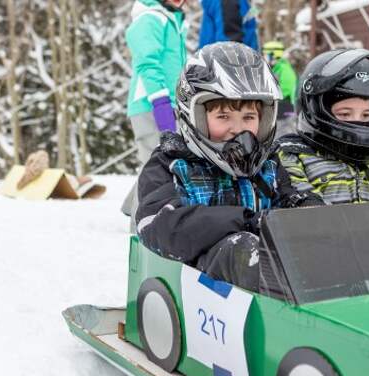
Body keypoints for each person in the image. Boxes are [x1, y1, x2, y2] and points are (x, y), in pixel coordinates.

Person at [135, 42, 323, 292]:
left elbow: (286, 198)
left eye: (249, 117)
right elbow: (158, 225)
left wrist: (308, 209)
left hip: (263, 287)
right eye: (223, 117)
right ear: (194, 116)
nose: (237, 129)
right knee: (242, 248)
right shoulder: (170, 163)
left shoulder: (267, 165)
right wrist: (246, 221)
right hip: (198, 288)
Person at [277, 49, 369, 204]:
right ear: (314, 108)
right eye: (345, 114)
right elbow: (293, 196)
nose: (357, 122)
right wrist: (306, 204)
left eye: (366, 115)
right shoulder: (293, 156)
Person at [122, 0, 188, 219]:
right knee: (154, 163)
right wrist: (160, 104)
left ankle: (132, 206)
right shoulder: (150, 18)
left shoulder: (172, 20)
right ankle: (140, 222)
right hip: (150, 103)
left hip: (171, 103)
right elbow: (147, 63)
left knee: (164, 161)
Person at [262, 41, 298, 106]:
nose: (264, 57)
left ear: (272, 55)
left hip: (285, 108)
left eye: (265, 54)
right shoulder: (273, 69)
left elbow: (286, 93)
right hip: (275, 105)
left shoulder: (285, 70)